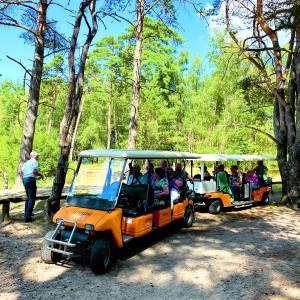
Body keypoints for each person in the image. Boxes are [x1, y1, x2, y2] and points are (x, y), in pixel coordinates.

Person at [22, 151, 44, 222]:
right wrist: (41, 175)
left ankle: (27, 213)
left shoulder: (26, 163)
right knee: (31, 198)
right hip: (30, 180)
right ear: (35, 156)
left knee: (28, 198)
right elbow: (34, 172)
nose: (38, 157)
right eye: (38, 156)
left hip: (25, 179)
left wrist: (32, 177)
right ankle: (28, 217)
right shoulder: (35, 162)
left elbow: (21, 172)